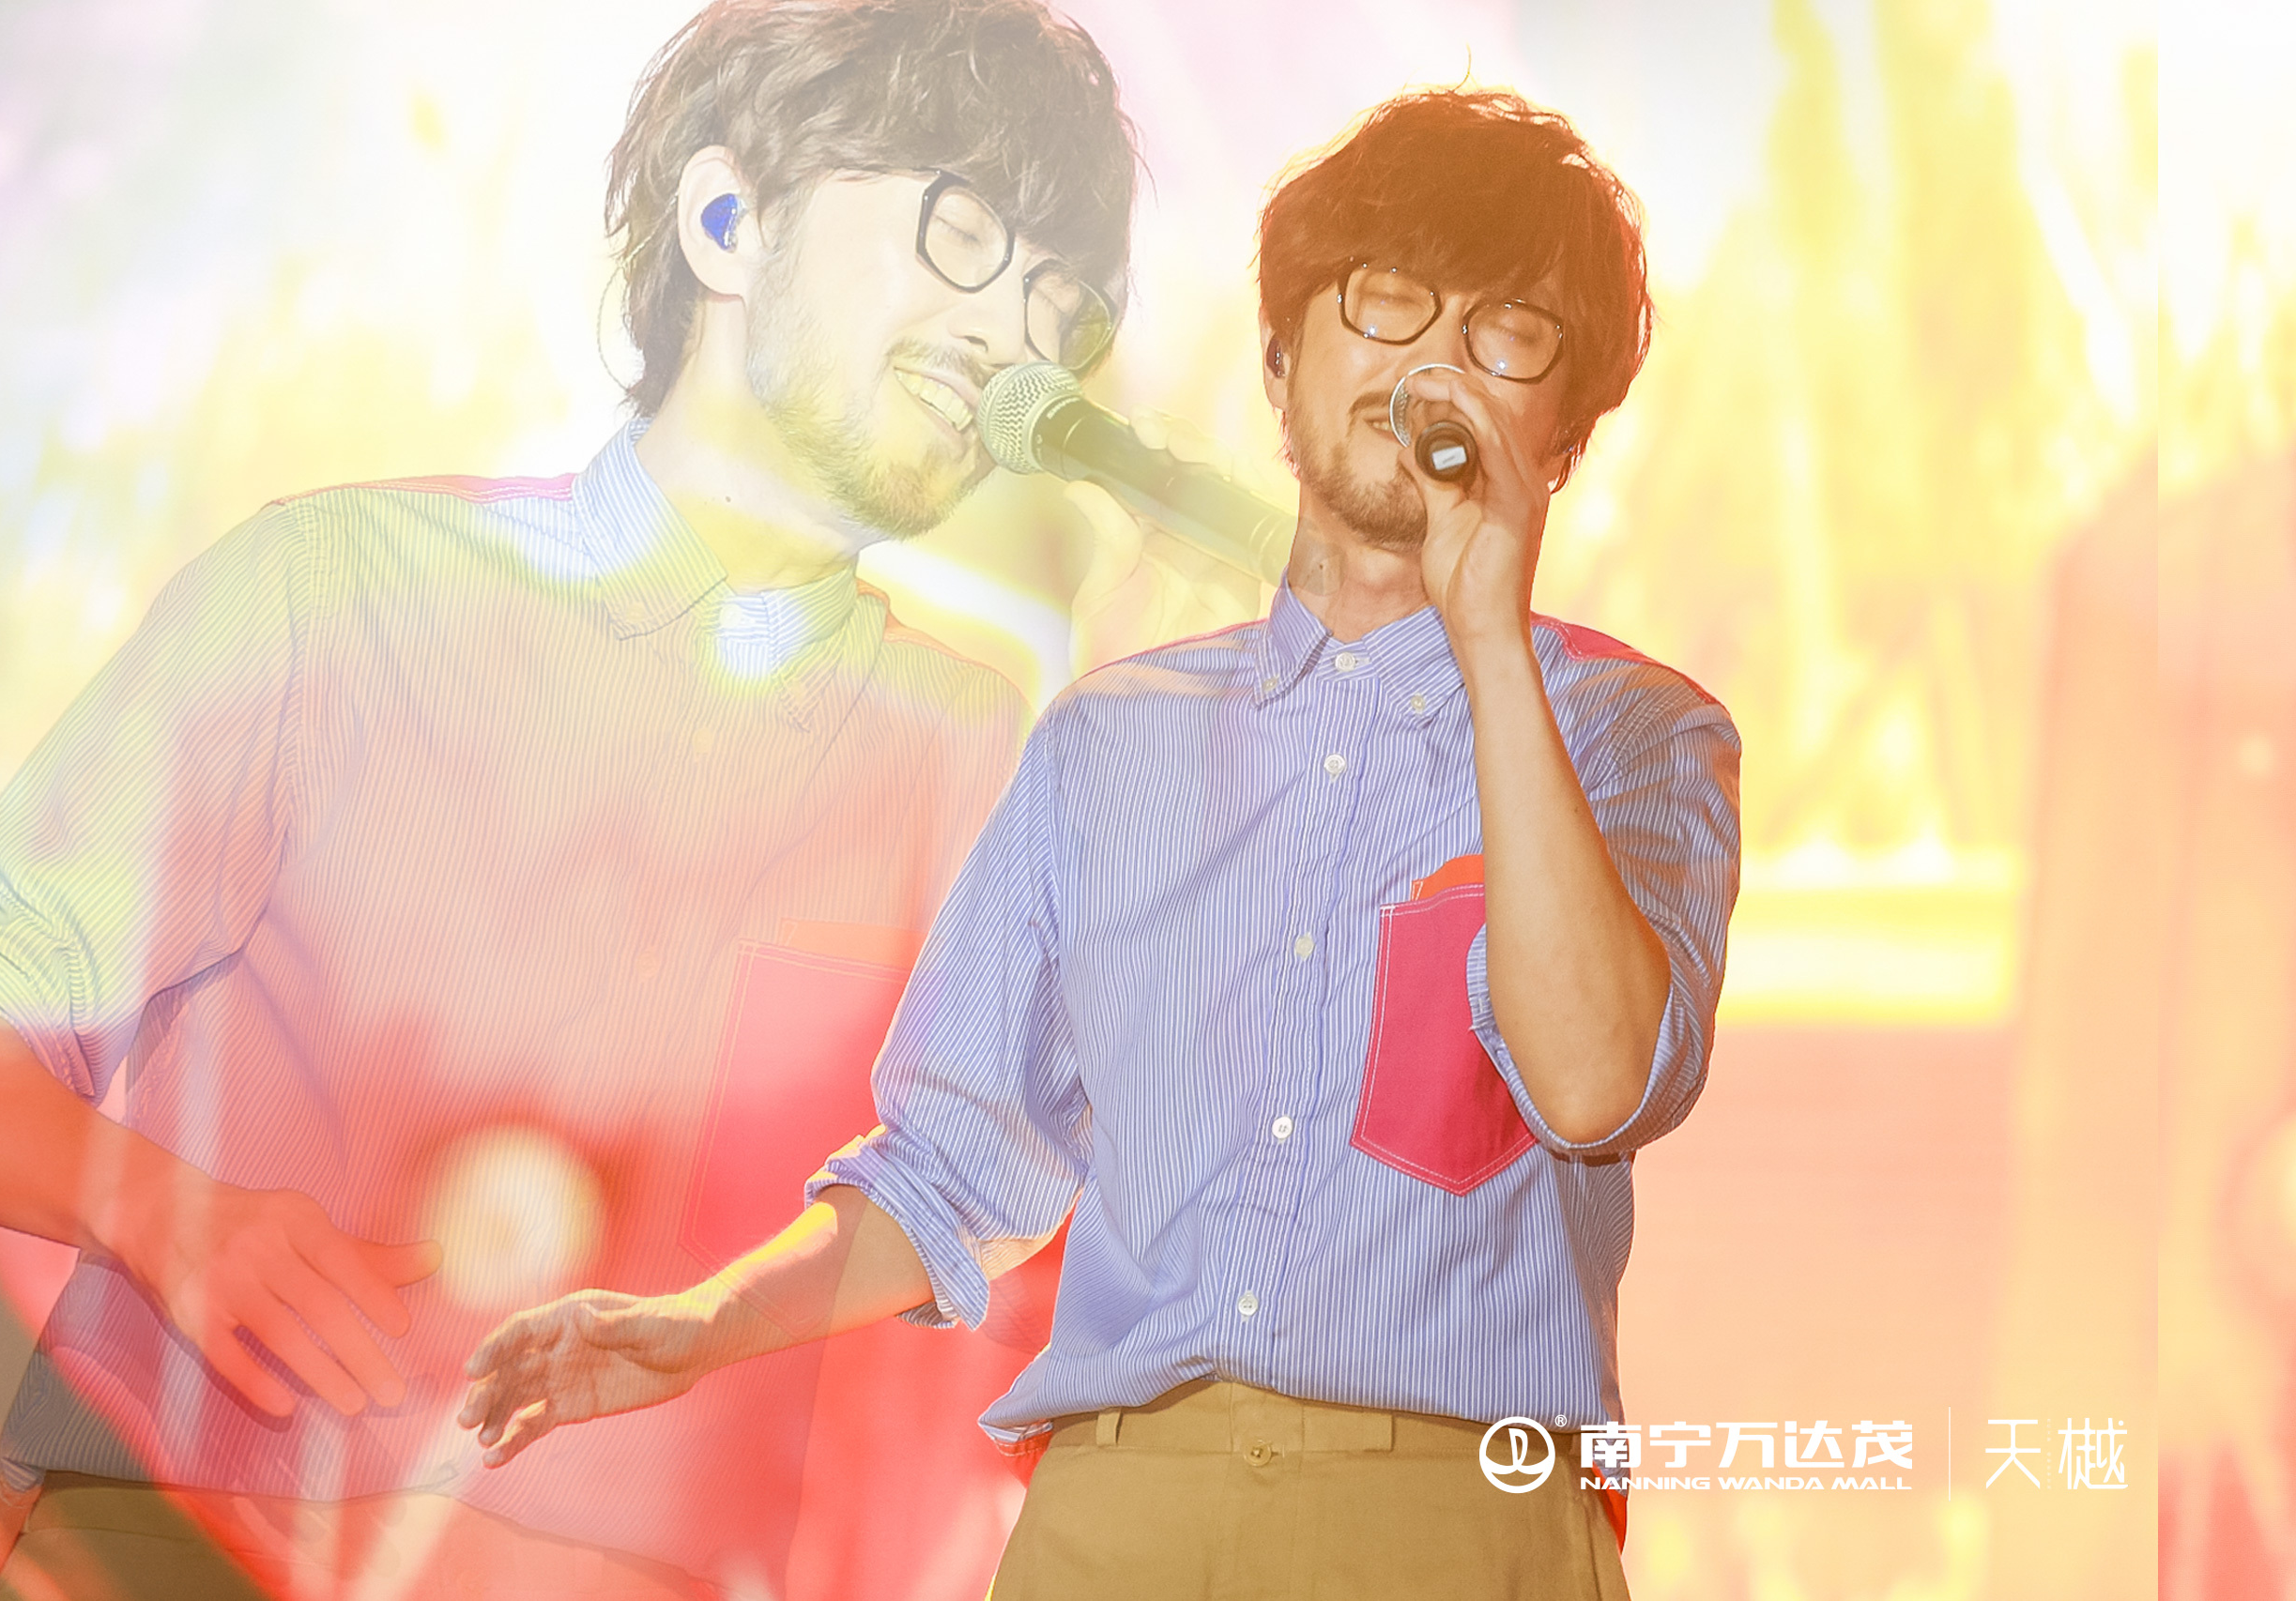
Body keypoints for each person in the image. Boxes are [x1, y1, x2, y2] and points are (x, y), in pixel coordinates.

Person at [0, 1, 1136, 1595]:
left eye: (1054, 301)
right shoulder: (330, 589)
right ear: (729, 221)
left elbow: (1015, 1199)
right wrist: (156, 1206)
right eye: (961, 234)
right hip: (166, 1522)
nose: (1010, 337)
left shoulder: (982, 752)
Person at [459, 86, 1742, 1599]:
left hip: (1456, 1516)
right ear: (1281, 362)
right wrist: (705, 1324)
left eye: (1506, 332)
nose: (1434, 367)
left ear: (1565, 435)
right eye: (1387, 299)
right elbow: (952, 1161)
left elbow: (1596, 1084)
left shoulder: (1633, 733)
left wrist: (1488, 646)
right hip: (1115, 1510)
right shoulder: (1104, 746)